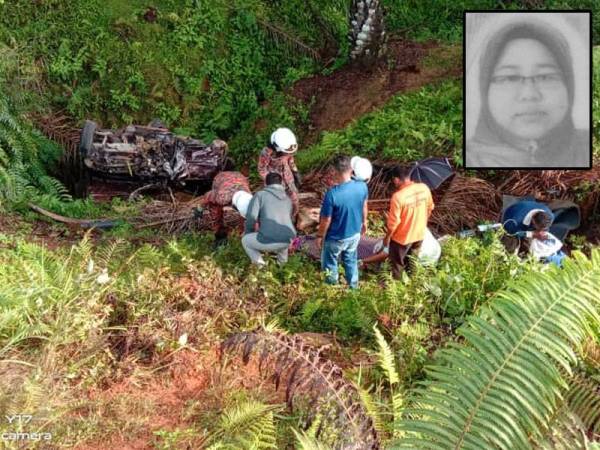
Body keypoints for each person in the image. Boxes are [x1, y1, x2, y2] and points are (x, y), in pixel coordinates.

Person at [466, 19, 589, 168]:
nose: (529, 94)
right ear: (484, 88)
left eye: (545, 76)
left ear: (569, 85)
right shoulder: (462, 161)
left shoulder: (591, 149)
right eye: (510, 78)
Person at [316, 155, 368, 289]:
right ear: (351, 170)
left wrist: (320, 236)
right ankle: (353, 287)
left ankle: (331, 288)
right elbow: (364, 206)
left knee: (330, 262)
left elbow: (326, 219)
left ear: (334, 171)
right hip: (354, 234)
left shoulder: (332, 194)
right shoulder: (362, 186)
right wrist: (364, 222)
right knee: (350, 260)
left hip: (335, 238)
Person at [384, 165, 434, 279]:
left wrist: (387, 237)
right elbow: (430, 208)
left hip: (401, 239)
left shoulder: (398, 197)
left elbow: (393, 224)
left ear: (396, 179)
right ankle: (413, 285)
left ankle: (397, 289)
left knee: (397, 265)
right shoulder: (424, 188)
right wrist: (421, 223)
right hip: (419, 235)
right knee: (413, 262)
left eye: (393, 181)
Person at [242, 172, 296, 267]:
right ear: (281, 184)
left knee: (245, 240)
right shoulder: (288, 199)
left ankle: (261, 267)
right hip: (289, 239)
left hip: (269, 239)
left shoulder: (260, 195)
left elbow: (251, 217)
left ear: (265, 184)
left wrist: (248, 232)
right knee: (282, 237)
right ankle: (282, 267)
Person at [194, 171, 251, 247]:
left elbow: (247, 216)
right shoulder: (223, 197)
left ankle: (241, 232)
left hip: (239, 177)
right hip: (221, 178)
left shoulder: (249, 198)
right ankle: (220, 233)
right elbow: (208, 196)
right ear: (234, 206)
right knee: (215, 210)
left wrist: (244, 231)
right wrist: (200, 207)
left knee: (246, 218)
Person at [257, 128, 301, 217]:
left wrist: (295, 172)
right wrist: (270, 179)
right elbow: (261, 169)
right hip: (274, 182)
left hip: (288, 179)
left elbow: (290, 159)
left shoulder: (288, 145)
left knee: (294, 200)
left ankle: (293, 219)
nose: (287, 153)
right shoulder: (266, 152)